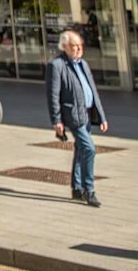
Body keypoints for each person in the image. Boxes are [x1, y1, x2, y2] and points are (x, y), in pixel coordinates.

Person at [46, 29, 109, 207]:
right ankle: (89, 190)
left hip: (87, 113)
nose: (78, 49)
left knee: (81, 150)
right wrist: (56, 120)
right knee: (89, 149)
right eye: (75, 46)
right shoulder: (57, 65)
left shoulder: (83, 64)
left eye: (81, 46)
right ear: (65, 46)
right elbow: (53, 95)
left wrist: (102, 116)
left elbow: (92, 91)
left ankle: (77, 187)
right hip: (72, 114)